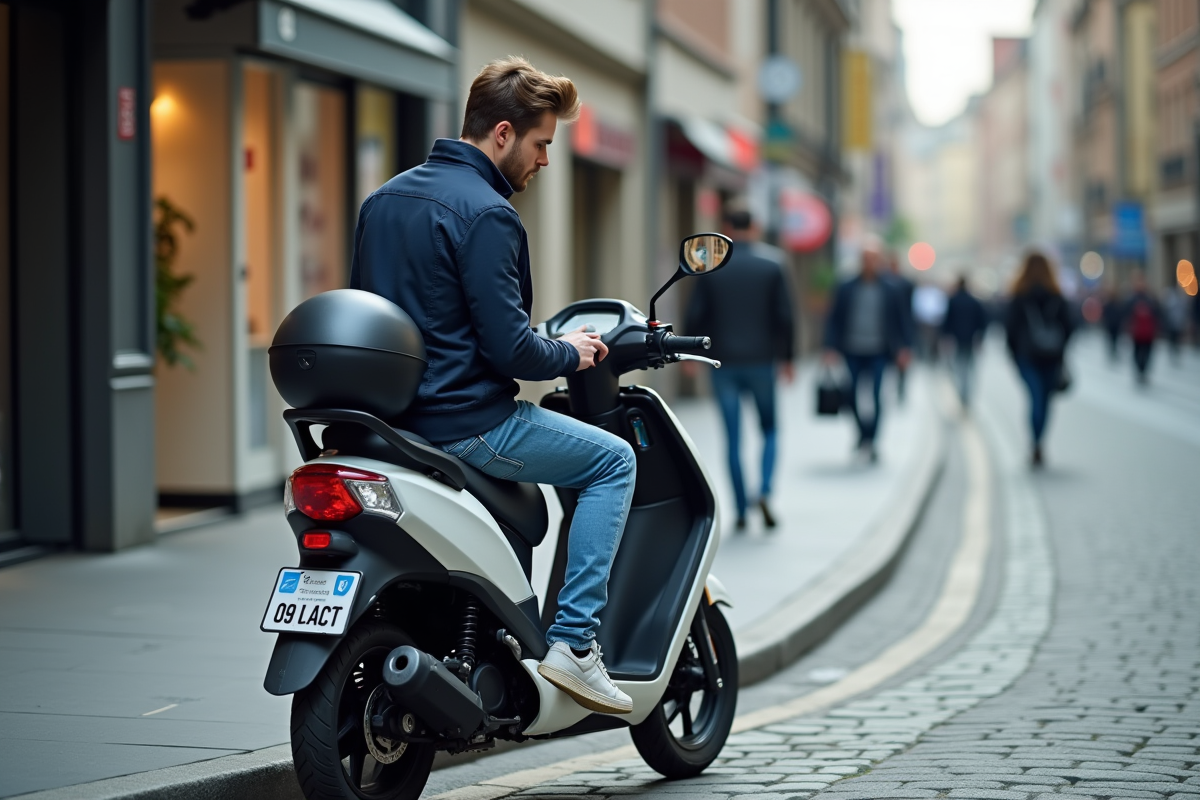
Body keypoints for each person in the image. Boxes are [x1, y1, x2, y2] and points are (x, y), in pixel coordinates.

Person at [350, 57, 635, 715]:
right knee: (612, 461)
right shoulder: (487, 213)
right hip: (466, 421)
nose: (543, 161)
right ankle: (575, 644)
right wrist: (572, 350)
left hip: (390, 423)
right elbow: (512, 349)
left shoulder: (383, 199)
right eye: (541, 145)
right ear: (502, 134)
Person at [685, 209, 796, 531]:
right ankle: (763, 490)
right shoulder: (773, 264)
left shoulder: (712, 268)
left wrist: (691, 356)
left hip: (723, 364)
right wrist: (787, 359)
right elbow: (785, 317)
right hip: (762, 362)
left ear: (726, 228)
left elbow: (696, 314)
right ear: (757, 227)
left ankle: (741, 509)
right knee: (770, 429)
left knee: (732, 438)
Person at [823, 239, 913, 462]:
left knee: (876, 396)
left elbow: (903, 320)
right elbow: (834, 319)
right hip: (851, 350)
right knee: (851, 396)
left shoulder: (891, 289)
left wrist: (905, 349)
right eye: (866, 258)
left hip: (880, 351)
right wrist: (829, 348)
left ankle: (872, 440)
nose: (869, 263)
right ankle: (862, 433)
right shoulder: (846, 287)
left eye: (873, 258)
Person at [1005, 251, 1074, 467]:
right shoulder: (1057, 295)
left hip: (1027, 357)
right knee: (1045, 400)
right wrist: (1061, 349)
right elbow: (1070, 326)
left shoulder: (1019, 296)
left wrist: (1015, 355)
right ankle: (1039, 442)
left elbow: (1009, 329)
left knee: (1035, 399)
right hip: (1052, 358)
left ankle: (1035, 443)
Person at [941, 276, 988, 408]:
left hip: (957, 339)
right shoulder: (974, 302)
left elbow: (947, 321)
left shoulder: (953, 301)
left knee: (959, 367)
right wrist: (980, 339)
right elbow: (982, 322)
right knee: (969, 367)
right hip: (971, 340)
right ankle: (966, 392)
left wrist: (946, 338)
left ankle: (962, 391)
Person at [884, 251, 915, 402]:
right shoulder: (882, 282)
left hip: (902, 329)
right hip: (886, 331)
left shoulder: (906, 284)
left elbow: (909, 311)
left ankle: (901, 390)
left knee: (902, 364)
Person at [1124, 271, 1160, 385]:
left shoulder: (1150, 298)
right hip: (1137, 332)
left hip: (1148, 332)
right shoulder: (1131, 298)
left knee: (1148, 352)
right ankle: (1139, 370)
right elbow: (1126, 314)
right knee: (1137, 352)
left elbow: (1157, 313)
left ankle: (1144, 371)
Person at [1162, 284, 1189, 365]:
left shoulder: (1182, 298)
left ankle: (1177, 352)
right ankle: (1172, 352)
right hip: (1171, 322)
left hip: (1179, 323)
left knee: (1178, 339)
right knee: (1172, 339)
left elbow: (1185, 310)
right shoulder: (1171, 297)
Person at [1101, 286, 1124, 362]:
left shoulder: (1117, 305)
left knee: (1114, 339)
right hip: (1111, 325)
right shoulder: (1109, 305)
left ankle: (1113, 350)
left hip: (1114, 325)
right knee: (1112, 339)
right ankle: (1112, 351)